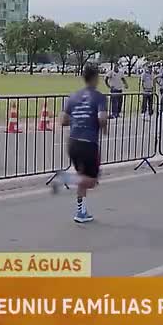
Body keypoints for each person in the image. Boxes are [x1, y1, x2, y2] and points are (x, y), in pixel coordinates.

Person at [53, 64, 108, 224]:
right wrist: (103, 129)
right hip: (88, 143)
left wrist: (78, 120)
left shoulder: (73, 96)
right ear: (96, 78)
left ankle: (81, 212)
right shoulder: (99, 97)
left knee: (82, 176)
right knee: (91, 181)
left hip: (73, 142)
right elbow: (102, 118)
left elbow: (62, 120)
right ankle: (65, 179)